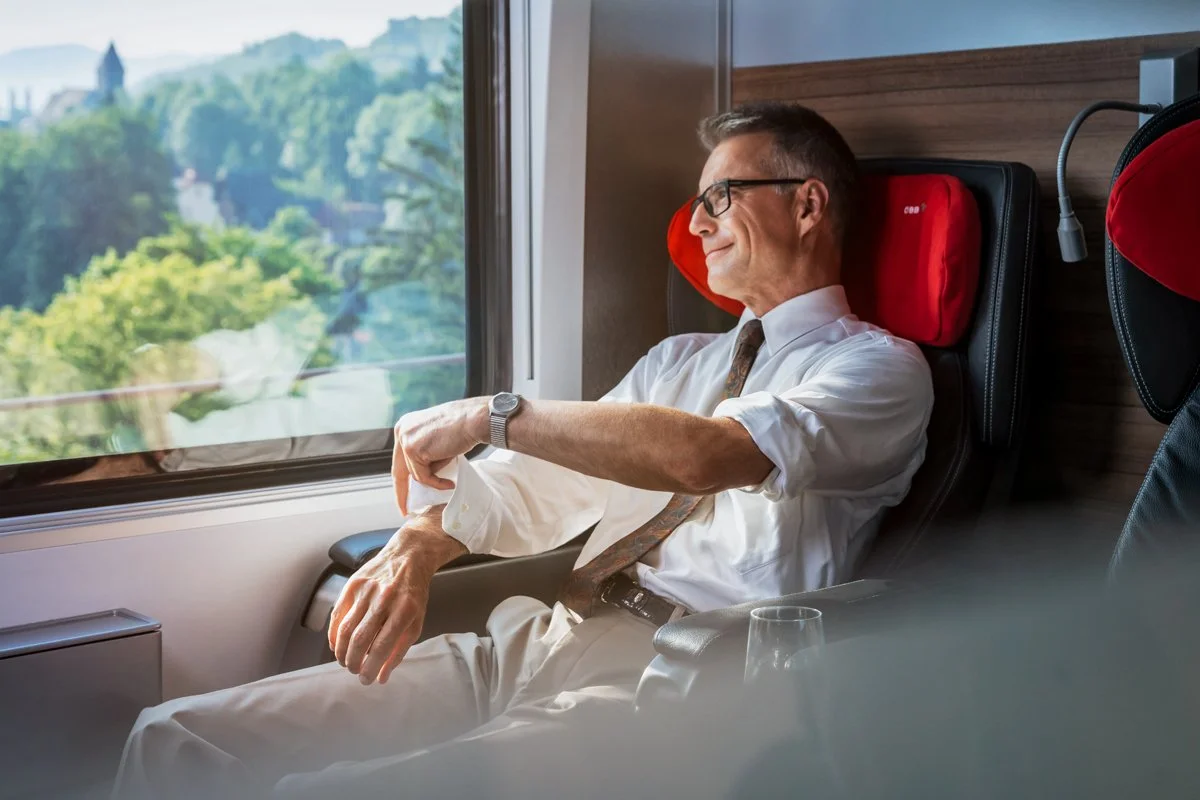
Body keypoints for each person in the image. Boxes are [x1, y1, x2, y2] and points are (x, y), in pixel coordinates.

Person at [111, 101, 935, 799]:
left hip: (693, 679)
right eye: (697, 202)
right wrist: (423, 542)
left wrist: (490, 413)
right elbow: (542, 482)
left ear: (808, 204)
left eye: (722, 193)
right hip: (544, 638)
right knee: (176, 738)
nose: (698, 222)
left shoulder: (878, 370)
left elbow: (704, 457)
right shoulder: (678, 361)